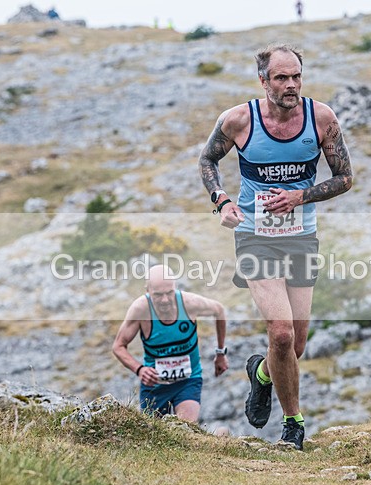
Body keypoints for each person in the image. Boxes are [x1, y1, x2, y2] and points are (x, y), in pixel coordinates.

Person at [198, 43, 354, 450]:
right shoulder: (238, 120)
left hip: (301, 236)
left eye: (296, 76)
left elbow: (345, 178)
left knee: (296, 345)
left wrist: (299, 197)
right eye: (281, 77)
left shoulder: (321, 118)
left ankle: (263, 374)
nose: (291, 85)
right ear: (263, 80)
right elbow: (207, 162)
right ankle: (294, 424)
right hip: (254, 236)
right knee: (281, 334)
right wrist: (222, 201)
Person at [112, 265, 229, 423]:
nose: (165, 300)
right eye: (158, 295)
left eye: (169, 293)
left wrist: (220, 353)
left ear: (175, 287)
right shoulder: (140, 310)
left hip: (188, 380)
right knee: (153, 438)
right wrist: (139, 369)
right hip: (155, 385)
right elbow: (118, 346)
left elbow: (219, 310)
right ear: (147, 291)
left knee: (185, 429)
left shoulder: (189, 303)